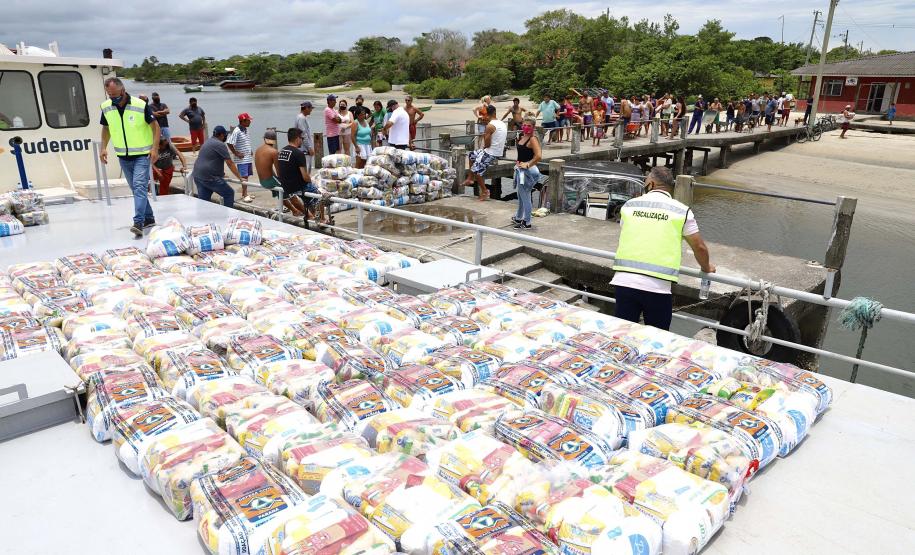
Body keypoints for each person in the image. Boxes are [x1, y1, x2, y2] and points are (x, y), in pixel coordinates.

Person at [611, 166, 715, 330]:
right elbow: (700, 247)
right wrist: (706, 267)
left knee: (622, 335)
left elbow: (628, 231)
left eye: (646, 180)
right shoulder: (681, 211)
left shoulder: (630, 205)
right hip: (657, 288)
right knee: (658, 339)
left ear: (651, 183)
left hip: (624, 282)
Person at [98, 77, 160, 238]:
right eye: (110, 96)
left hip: (142, 155)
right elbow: (106, 128)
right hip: (123, 156)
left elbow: (156, 127)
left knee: (139, 186)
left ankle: (138, 222)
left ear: (123, 91)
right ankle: (149, 218)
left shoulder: (140, 105)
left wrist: (155, 148)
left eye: (116, 96)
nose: (113, 99)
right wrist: (103, 147)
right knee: (135, 188)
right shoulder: (106, 107)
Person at [461, 105, 506, 201]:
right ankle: (470, 178)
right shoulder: (501, 123)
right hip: (497, 151)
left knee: (477, 170)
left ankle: (485, 191)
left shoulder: (490, 126)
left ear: (487, 115)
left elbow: (487, 144)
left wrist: (484, 149)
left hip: (492, 152)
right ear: (495, 113)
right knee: (472, 154)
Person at [277, 128, 322, 221]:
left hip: (286, 186)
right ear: (297, 138)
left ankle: (310, 215)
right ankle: (322, 220)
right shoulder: (299, 153)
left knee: (309, 195)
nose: (302, 140)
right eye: (302, 138)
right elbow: (305, 176)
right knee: (320, 197)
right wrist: (312, 182)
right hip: (297, 187)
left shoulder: (282, 151)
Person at [194, 126, 242, 209]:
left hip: (198, 175)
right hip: (209, 177)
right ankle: (227, 217)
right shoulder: (220, 145)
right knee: (229, 193)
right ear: (222, 135)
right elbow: (230, 163)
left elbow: (212, 159)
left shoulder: (207, 141)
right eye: (225, 135)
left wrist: (221, 174)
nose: (226, 137)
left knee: (203, 203)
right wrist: (240, 178)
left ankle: (203, 218)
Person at [254, 129, 296, 214]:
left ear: (264, 139)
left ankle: (294, 210)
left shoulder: (258, 150)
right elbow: (279, 171)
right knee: (290, 191)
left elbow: (266, 168)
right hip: (269, 181)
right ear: (274, 140)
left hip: (262, 181)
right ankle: (298, 211)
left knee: (280, 193)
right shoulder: (274, 152)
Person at [512, 116, 541, 230]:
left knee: (525, 196)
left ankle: (527, 222)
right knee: (520, 195)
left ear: (533, 127)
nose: (526, 127)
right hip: (520, 169)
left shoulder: (532, 139)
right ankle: (519, 217)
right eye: (524, 125)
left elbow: (538, 155)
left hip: (527, 171)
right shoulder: (523, 136)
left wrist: (528, 164)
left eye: (529, 126)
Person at [227, 113, 254, 202]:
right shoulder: (237, 131)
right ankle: (244, 194)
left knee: (246, 176)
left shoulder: (246, 130)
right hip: (242, 159)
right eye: (248, 120)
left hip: (247, 157)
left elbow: (246, 141)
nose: (250, 122)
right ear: (243, 121)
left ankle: (245, 193)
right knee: (244, 176)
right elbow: (229, 142)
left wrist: (250, 150)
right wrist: (236, 153)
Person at [294, 101, 315, 170]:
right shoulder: (301, 118)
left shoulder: (301, 117)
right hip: (304, 149)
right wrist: (309, 148)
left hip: (304, 148)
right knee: (306, 168)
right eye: (310, 108)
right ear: (306, 108)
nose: (311, 110)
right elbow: (303, 134)